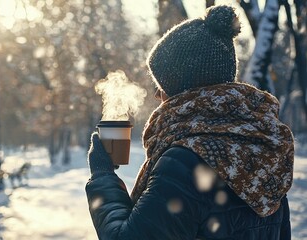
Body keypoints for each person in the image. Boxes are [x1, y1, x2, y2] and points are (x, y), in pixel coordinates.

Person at [85, 5, 294, 240]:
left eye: (161, 85)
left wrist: (102, 176)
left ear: (181, 88)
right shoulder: (265, 150)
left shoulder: (185, 162)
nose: (157, 95)